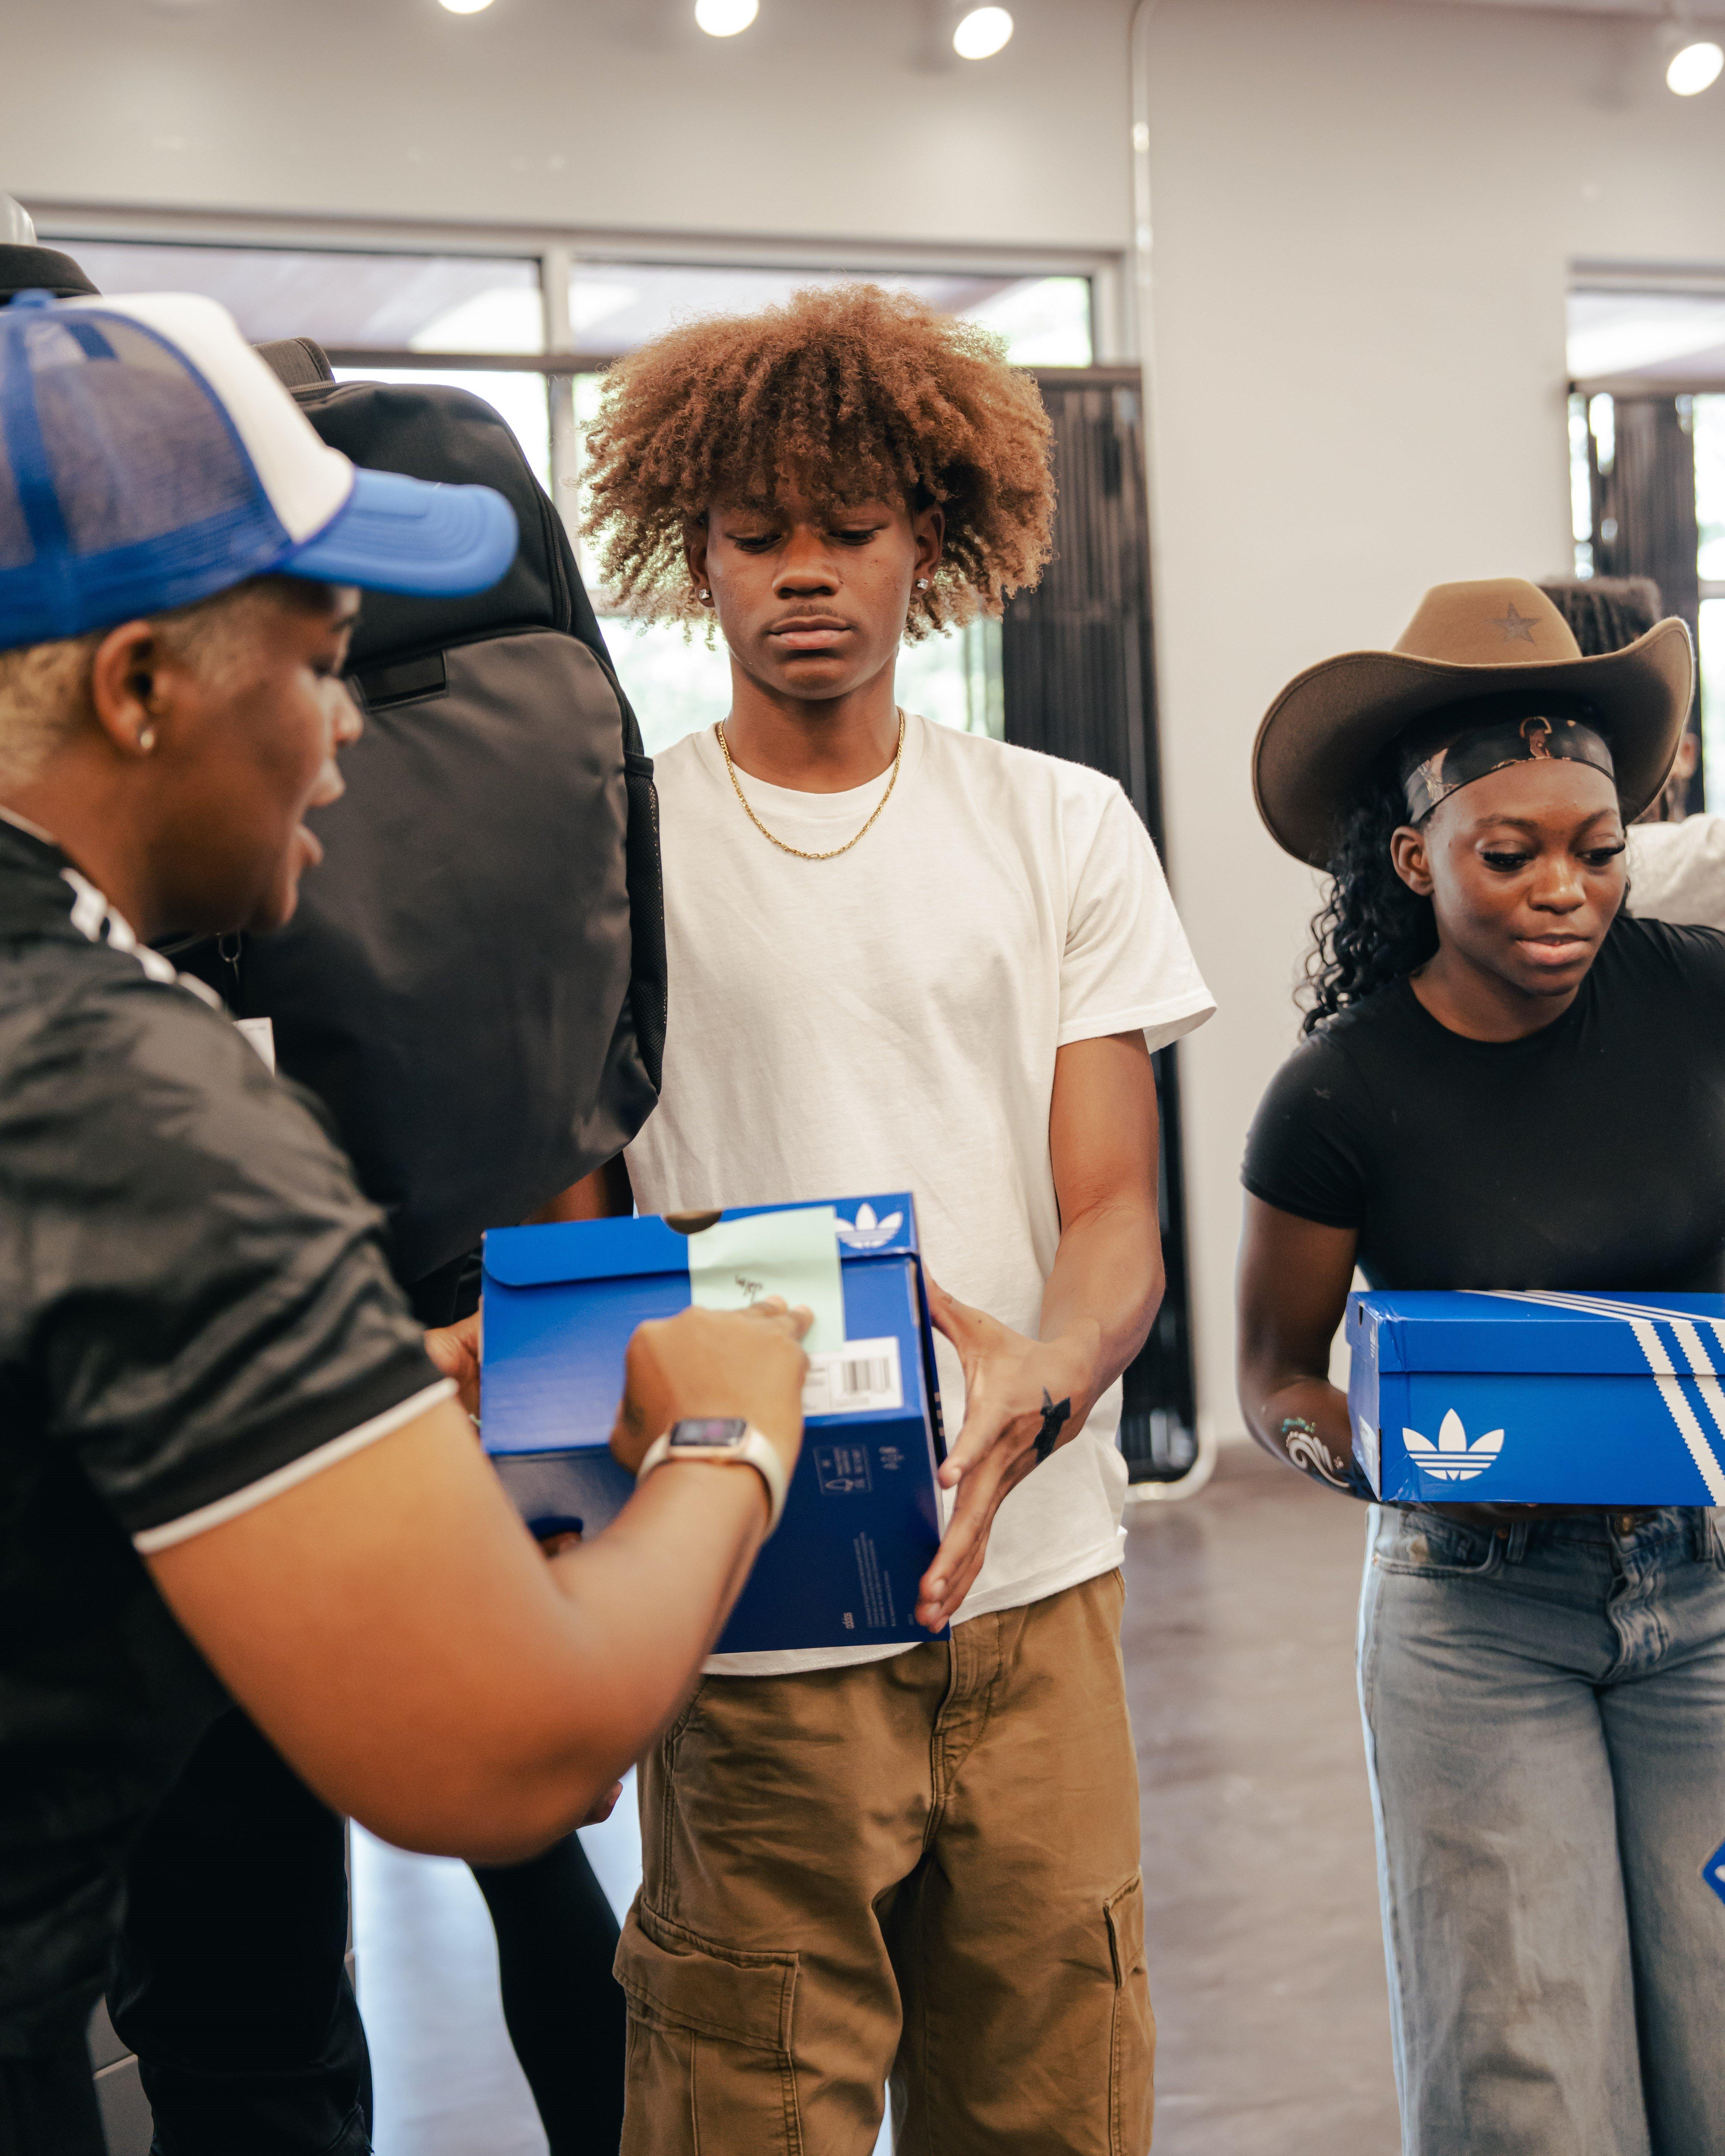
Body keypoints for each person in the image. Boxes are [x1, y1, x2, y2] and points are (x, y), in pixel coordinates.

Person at [0, 289, 809, 2156]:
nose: (350, 735)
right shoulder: (124, 1090)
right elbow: (510, 1748)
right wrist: (725, 1431)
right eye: (321, 661)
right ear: (137, 687)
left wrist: (355, 1381)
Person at [567, 282, 1214, 2155]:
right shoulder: (618, 847)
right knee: (742, 2103)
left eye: (846, 527)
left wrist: (1055, 1360)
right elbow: (576, 1228)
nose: (803, 573)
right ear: (692, 551)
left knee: (1052, 2104)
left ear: (927, 537)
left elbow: (1113, 1210)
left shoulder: (1059, 821)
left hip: (1035, 1578)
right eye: (756, 532)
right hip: (751, 1592)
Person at [1235, 577, 1725, 2155]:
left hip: (1713, 1596)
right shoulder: (1336, 1094)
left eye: (1596, 848)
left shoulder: (1706, 994)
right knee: (1525, 2082)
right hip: (1474, 1614)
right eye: (1505, 855)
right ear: (1414, 856)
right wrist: (1376, 1451)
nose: (1562, 891)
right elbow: (1276, 1376)